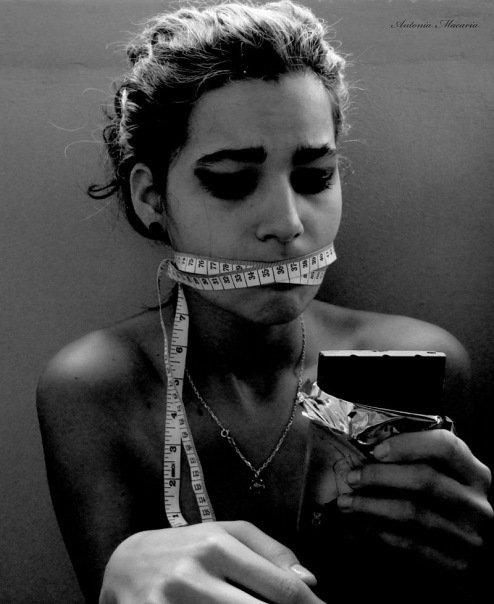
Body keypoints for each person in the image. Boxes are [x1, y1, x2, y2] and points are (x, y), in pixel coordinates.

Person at [36, 1, 492, 602]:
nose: (287, 224)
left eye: (315, 176)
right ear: (150, 198)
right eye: (230, 180)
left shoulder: (429, 360)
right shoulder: (95, 390)